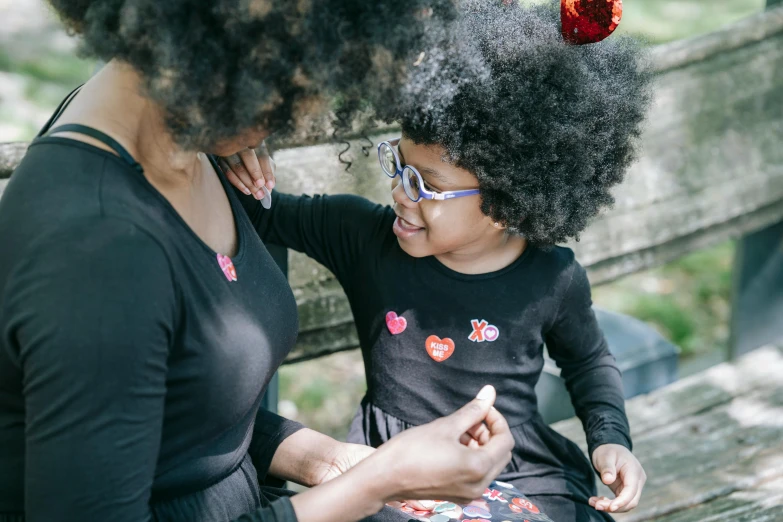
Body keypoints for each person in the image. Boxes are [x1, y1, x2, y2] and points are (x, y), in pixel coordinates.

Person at [0, 1, 516, 521]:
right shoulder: (94, 248)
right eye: (299, 80)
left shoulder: (184, 145)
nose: (303, 111)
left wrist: (326, 459)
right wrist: (379, 481)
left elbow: (183, 420)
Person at [221, 1, 653, 521]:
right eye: (400, 168)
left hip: (516, 476)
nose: (402, 195)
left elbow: (588, 362)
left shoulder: (553, 278)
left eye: (426, 185)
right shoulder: (363, 236)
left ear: (505, 202)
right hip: (393, 470)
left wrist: (611, 439)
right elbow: (260, 213)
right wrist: (231, 152)